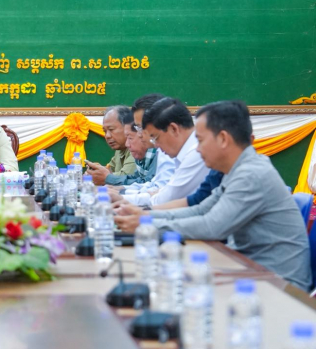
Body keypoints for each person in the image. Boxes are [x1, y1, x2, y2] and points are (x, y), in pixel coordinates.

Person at [116, 101, 312, 290]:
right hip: (250, 269)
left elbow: (212, 226)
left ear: (223, 139)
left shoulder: (251, 174)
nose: (197, 148)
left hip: (280, 285)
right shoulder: (236, 170)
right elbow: (201, 210)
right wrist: (146, 217)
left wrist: (147, 225)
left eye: (201, 140)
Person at [119, 97, 209, 207]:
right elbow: (163, 193)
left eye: (155, 137)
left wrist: (122, 198)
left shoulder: (196, 153)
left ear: (173, 129)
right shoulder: (183, 151)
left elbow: (165, 199)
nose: (156, 145)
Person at [86, 106, 137, 185]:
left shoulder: (136, 148)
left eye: (111, 129)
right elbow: (109, 170)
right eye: (105, 131)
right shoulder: (119, 148)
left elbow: (124, 178)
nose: (107, 136)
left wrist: (102, 176)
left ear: (127, 127)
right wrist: (95, 172)